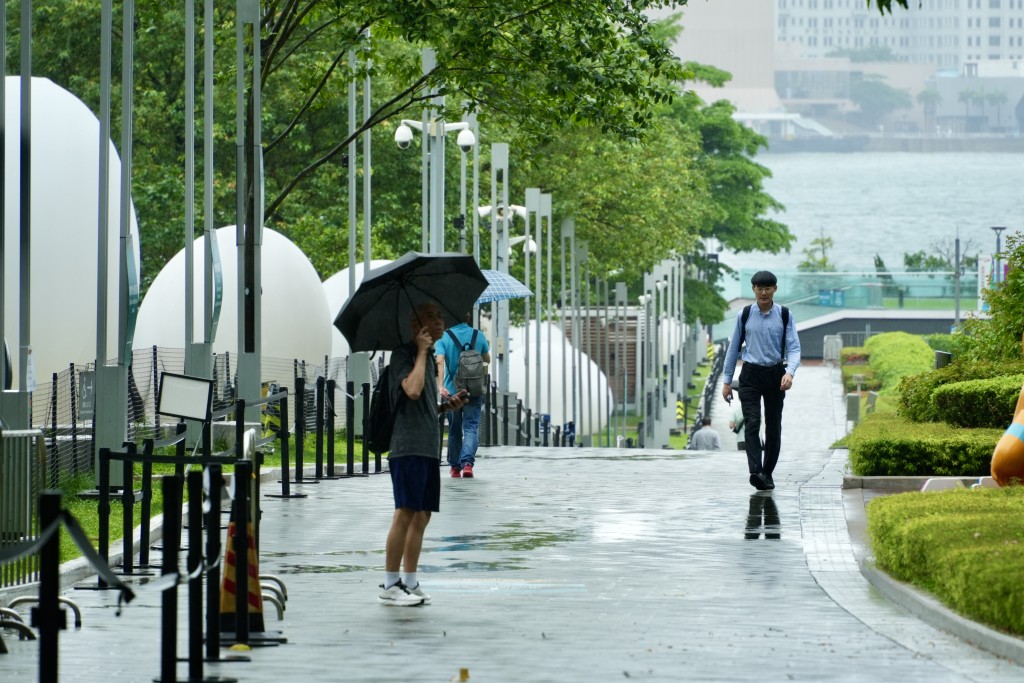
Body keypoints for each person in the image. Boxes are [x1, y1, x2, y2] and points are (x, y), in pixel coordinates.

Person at [379, 302, 467, 606]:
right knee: (404, 511)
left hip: (428, 448)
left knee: (423, 514)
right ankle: (390, 582)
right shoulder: (404, 354)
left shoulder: (429, 360)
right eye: (433, 316)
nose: (440, 320)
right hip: (408, 447)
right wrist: (419, 351)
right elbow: (412, 391)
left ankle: (410, 580)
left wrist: (447, 406)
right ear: (416, 324)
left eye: (441, 315)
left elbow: (424, 402)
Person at [721, 271, 801, 492]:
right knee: (752, 421)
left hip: (776, 374)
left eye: (768, 288)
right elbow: (733, 349)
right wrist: (727, 381)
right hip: (750, 375)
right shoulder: (744, 315)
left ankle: (767, 473)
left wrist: (790, 373)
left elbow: (794, 348)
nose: (763, 292)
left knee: (773, 426)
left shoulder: (785, 315)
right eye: (759, 288)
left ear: (775, 289)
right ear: (753, 289)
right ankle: (755, 471)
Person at [435, 311, 491, 478]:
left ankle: (455, 467)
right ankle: (467, 464)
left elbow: (439, 361)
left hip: (452, 392)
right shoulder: (478, 335)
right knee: (471, 428)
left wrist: (440, 386)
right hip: (473, 390)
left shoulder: (444, 337)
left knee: (454, 430)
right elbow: (487, 359)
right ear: (468, 318)